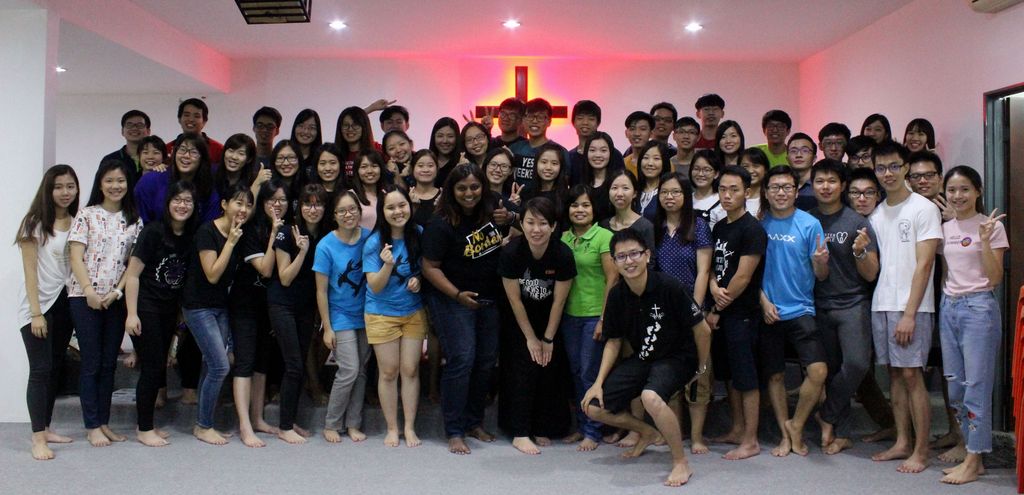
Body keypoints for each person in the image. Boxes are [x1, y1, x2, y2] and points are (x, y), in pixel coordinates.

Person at [582, 228, 712, 487]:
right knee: (593, 407)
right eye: (621, 257)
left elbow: (703, 330)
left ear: (647, 256)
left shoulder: (669, 286)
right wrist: (598, 382)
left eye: (634, 254)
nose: (629, 261)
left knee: (650, 396)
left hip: (678, 358)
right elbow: (613, 341)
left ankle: (680, 461)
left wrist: (700, 367)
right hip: (644, 358)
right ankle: (647, 432)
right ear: (614, 262)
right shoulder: (617, 295)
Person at [867, 141, 942, 473]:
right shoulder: (876, 212)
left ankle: (921, 451)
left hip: (913, 307)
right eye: (881, 168)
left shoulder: (923, 208)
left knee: (912, 375)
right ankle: (902, 441)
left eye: (894, 166)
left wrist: (910, 314)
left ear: (906, 167)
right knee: (894, 374)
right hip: (882, 303)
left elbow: (925, 265)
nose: (888, 173)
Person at [422, 163, 503, 455]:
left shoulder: (494, 211)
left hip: (489, 299)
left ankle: (473, 422)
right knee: (462, 358)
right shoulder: (441, 223)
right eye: (462, 188)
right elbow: (429, 267)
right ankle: (454, 430)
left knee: (485, 361)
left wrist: (511, 218)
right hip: (451, 300)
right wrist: (457, 295)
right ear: (451, 191)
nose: (469, 193)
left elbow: (525, 227)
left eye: (475, 187)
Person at [937, 166, 1008, 485]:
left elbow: (995, 278)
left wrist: (984, 240)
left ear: (978, 191)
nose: (958, 195)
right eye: (952, 190)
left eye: (965, 189)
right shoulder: (946, 228)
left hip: (978, 309)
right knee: (955, 388)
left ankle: (974, 457)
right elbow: (946, 270)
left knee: (976, 387)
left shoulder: (991, 227)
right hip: (949, 307)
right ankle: (971, 452)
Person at [68, 160, 142, 447]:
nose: (115, 186)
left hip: (115, 300)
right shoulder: (86, 215)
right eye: (109, 180)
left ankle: (104, 422)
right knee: (91, 362)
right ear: (100, 183)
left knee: (110, 363)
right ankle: (91, 425)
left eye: (121, 181)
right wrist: (88, 290)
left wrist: (118, 293)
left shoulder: (134, 219)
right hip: (83, 297)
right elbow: (76, 257)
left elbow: (132, 265)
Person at [808, 159, 880, 455]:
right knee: (832, 369)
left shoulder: (857, 222)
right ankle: (841, 433)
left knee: (857, 364)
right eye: (820, 181)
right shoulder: (808, 220)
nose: (825, 187)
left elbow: (871, 274)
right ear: (812, 185)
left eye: (832, 181)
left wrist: (860, 252)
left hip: (852, 303)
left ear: (842, 186)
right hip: (818, 304)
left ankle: (825, 415)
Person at [758, 165, 829, 457]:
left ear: (796, 191)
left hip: (802, 309)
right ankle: (783, 435)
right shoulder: (759, 225)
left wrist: (821, 262)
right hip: (768, 310)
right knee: (775, 376)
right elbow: (750, 272)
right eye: (775, 187)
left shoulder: (810, 224)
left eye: (787, 187)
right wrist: (763, 302)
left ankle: (796, 424)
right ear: (765, 192)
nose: (781, 193)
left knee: (818, 371)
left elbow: (821, 275)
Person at [498, 197, 576, 454]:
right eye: (530, 222)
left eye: (543, 223)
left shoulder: (563, 254)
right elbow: (514, 300)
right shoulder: (511, 253)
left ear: (553, 226)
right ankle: (520, 432)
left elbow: (559, 300)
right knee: (521, 370)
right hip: (518, 321)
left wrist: (548, 339)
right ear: (521, 223)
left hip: (550, 319)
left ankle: (543, 426)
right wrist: (531, 338)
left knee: (548, 367)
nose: (536, 229)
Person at [123, 180, 198, 447]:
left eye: (188, 201)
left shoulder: (190, 236)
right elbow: (132, 275)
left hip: (168, 310)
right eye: (177, 200)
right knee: (152, 367)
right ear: (167, 204)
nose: (182, 205)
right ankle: (144, 429)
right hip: (146, 307)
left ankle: (147, 424)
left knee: (158, 368)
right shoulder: (153, 232)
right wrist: (131, 314)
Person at [182, 184, 253, 445]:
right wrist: (231, 243)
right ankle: (204, 426)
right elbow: (212, 274)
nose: (243, 209)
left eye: (248, 205)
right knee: (220, 365)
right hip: (198, 306)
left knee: (212, 365)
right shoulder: (207, 231)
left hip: (220, 306)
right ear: (224, 204)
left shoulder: (240, 230)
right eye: (238, 203)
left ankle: (203, 423)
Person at [17, 164, 79, 460]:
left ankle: (47, 427)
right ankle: (37, 437)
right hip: (38, 305)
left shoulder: (78, 222)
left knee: (55, 366)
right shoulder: (34, 223)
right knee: (40, 370)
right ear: (48, 189)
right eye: (58, 187)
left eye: (70, 186)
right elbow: (29, 272)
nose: (65, 192)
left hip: (65, 303)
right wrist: (35, 313)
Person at [707, 165, 766, 461]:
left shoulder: (752, 229)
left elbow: (743, 277)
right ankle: (737, 428)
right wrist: (712, 286)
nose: (727, 195)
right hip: (722, 310)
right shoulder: (719, 227)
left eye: (734, 190)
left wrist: (717, 307)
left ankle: (751, 440)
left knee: (746, 376)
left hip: (742, 312)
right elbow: (713, 268)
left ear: (747, 192)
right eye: (722, 189)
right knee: (729, 375)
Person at [364, 186, 428, 448]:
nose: (397, 211)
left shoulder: (419, 234)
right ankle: (392, 427)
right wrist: (388, 265)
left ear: (410, 206)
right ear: (382, 212)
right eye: (390, 207)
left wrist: (418, 280)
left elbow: (427, 269)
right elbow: (375, 286)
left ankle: (410, 427)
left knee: (410, 370)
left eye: (402, 205)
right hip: (381, 313)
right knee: (389, 372)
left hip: (413, 311)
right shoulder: (374, 242)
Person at [653, 171, 713, 454]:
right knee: (670, 376)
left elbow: (703, 271)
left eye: (676, 192)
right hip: (663, 312)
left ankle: (698, 436)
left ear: (685, 196)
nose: (670, 197)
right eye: (664, 192)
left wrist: (695, 311)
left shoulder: (699, 226)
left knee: (700, 373)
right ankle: (674, 433)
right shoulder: (655, 228)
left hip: (693, 308)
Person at [269, 184, 328, 444]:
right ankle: (284, 427)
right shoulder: (286, 232)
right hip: (282, 304)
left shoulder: (326, 235)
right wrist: (302, 252)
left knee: (300, 363)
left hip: (306, 307)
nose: (312, 209)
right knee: (293, 365)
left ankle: (290, 421)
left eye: (318, 204)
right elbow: (284, 277)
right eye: (307, 204)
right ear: (299, 207)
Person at [230, 179, 286, 447]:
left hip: (270, 304)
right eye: (272, 200)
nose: (277, 204)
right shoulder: (250, 230)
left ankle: (258, 418)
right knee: (245, 362)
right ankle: (244, 425)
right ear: (262, 203)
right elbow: (265, 269)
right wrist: (274, 234)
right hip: (245, 304)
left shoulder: (289, 228)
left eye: (282, 200)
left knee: (263, 361)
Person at [561, 185, 616, 452]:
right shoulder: (562, 238)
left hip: (594, 315)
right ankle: (582, 426)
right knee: (574, 372)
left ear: (594, 209)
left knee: (588, 373)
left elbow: (613, 279)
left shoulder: (604, 236)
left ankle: (593, 430)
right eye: (574, 205)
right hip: (569, 315)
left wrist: (604, 318)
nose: (579, 210)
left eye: (585, 205)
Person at [315, 191, 371, 444]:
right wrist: (327, 327)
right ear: (334, 215)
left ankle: (353, 423)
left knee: (361, 371)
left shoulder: (370, 238)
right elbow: (321, 291)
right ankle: (331, 423)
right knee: (349, 369)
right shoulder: (325, 246)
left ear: (359, 211)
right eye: (342, 211)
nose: (348, 215)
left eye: (352, 209)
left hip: (368, 314)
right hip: (340, 315)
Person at [135, 134, 220, 223]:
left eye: (193, 152)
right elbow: (141, 222)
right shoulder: (149, 182)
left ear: (202, 158)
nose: (186, 155)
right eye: (182, 150)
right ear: (174, 153)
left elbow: (210, 225)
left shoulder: (209, 187)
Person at [508, 98, 571, 187]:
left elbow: (564, 183)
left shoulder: (560, 151)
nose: (534, 121)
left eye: (540, 117)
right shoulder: (514, 149)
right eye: (530, 116)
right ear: (523, 120)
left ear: (549, 121)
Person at [568, 100, 625, 185]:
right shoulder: (569, 157)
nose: (585, 123)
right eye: (580, 118)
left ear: (598, 123)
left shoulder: (614, 154)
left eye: (591, 119)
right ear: (573, 122)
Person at [599, 169, 656, 254]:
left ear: (635, 193)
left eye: (625, 188)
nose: (619, 194)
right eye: (614, 188)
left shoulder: (645, 227)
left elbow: (651, 258)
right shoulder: (603, 225)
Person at [102, 110, 151, 186]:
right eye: (129, 125)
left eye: (140, 125)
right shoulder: (110, 160)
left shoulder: (157, 159)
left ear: (148, 131)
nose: (134, 128)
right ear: (122, 131)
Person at [166, 98, 224, 163]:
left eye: (196, 116)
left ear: (204, 121)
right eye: (187, 115)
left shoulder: (218, 150)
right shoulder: (167, 148)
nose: (191, 119)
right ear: (179, 119)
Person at [214, 133, 269, 200]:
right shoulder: (211, 173)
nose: (234, 157)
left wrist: (256, 184)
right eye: (231, 151)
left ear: (249, 159)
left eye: (241, 154)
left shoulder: (254, 180)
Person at [336, 106, 382, 182]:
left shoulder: (377, 149)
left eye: (355, 125)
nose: (350, 129)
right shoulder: (335, 154)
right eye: (346, 125)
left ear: (364, 127)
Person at [581, 132, 618, 222]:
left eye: (603, 150)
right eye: (592, 150)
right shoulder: (580, 182)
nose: (597, 155)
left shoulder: (617, 182)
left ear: (611, 153)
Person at [689, 150, 726, 229]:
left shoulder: (723, 202)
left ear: (716, 174)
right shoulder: (685, 199)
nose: (700, 174)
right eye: (696, 169)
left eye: (706, 170)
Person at [637, 141, 671, 221]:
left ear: (664, 162)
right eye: (646, 158)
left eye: (656, 158)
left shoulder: (669, 192)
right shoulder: (633, 189)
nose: (650, 163)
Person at [352, 150, 387, 229]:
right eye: (364, 167)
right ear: (357, 171)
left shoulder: (388, 194)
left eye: (374, 166)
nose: (370, 171)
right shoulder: (350, 196)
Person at [408, 149, 442, 228]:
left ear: (437, 169)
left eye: (430, 166)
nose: (426, 170)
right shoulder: (405, 196)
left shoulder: (444, 196)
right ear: (412, 169)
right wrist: (412, 207)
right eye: (420, 166)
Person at [786, 133, 819, 211]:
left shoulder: (821, 184)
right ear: (787, 158)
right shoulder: (781, 184)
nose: (799, 155)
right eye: (793, 151)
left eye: (805, 151)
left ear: (814, 158)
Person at [430, 117, 464, 188]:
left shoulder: (462, 163)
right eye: (440, 136)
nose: (445, 141)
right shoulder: (427, 160)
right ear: (434, 138)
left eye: (450, 136)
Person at [289, 109, 324, 174]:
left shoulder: (322, 157)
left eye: (312, 128)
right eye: (301, 126)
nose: (306, 131)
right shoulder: (284, 154)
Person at [739, 147, 769, 218]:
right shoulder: (733, 197)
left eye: (756, 166)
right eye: (745, 166)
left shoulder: (771, 197)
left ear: (765, 169)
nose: (750, 171)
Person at [622, 111, 654, 177]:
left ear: (651, 134)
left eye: (643, 129)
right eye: (632, 129)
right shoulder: (621, 164)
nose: (637, 133)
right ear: (626, 133)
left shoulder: (662, 163)